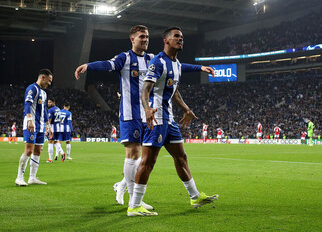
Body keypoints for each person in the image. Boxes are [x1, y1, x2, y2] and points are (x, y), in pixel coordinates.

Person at [74, 25, 214, 209]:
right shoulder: (125, 58)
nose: (145, 40)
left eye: (147, 37)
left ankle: (125, 186)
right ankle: (133, 198)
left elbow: (175, 67)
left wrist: (199, 68)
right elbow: (107, 64)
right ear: (132, 39)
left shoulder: (151, 59)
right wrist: (88, 66)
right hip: (131, 113)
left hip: (149, 114)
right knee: (135, 155)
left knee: (146, 157)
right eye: (141, 37)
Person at [128, 27, 218, 216]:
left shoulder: (176, 65)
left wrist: (186, 109)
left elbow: (174, 92)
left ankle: (195, 196)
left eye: (182, 37)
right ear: (166, 40)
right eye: (176, 36)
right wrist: (146, 109)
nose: (180, 39)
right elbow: (145, 90)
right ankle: (134, 205)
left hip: (169, 120)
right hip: (157, 118)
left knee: (181, 157)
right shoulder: (158, 62)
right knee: (148, 161)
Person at [15, 68, 53, 186]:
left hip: (41, 126)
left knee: (37, 151)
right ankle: (19, 177)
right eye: (49, 80)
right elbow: (27, 104)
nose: (49, 83)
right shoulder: (32, 88)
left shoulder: (44, 93)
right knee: (29, 150)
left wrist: (48, 126)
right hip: (32, 125)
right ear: (43, 77)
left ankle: (32, 178)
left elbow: (44, 111)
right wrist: (30, 120)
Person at [46, 98, 61, 162]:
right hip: (58, 127)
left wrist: (48, 129)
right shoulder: (58, 109)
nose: (48, 103)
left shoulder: (50, 110)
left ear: (53, 102)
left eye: (50, 102)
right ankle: (62, 153)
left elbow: (49, 121)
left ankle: (50, 159)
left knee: (50, 142)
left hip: (52, 128)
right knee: (55, 142)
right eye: (48, 102)